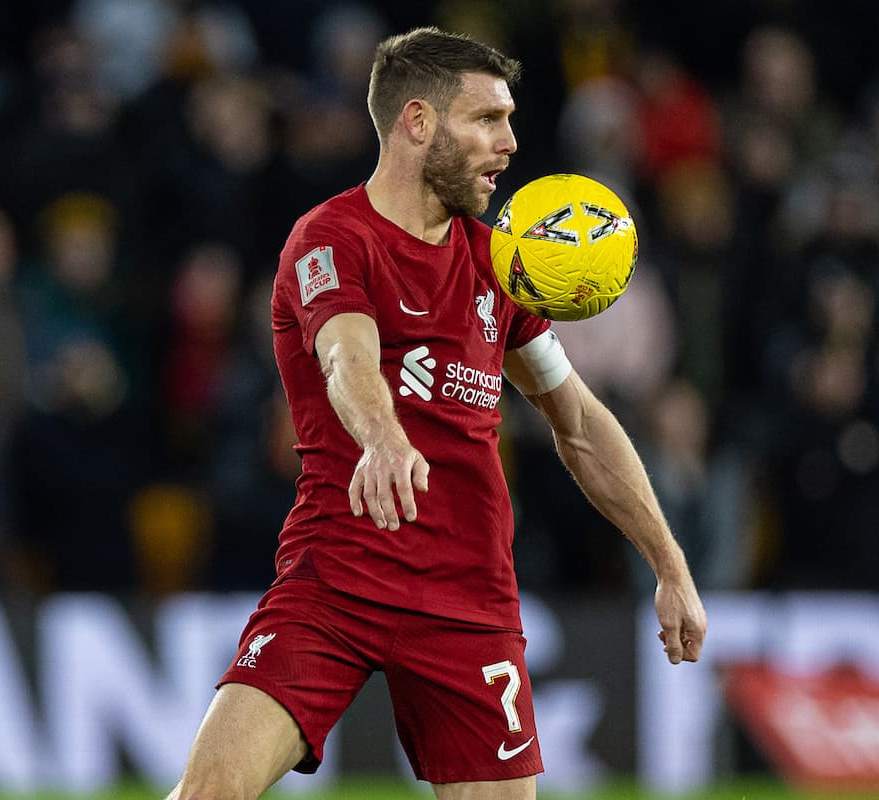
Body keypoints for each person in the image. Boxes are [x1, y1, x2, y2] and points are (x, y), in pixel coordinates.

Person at [167, 27, 706, 800]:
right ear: (417, 121)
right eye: (488, 120)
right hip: (337, 581)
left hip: (469, 602)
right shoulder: (332, 238)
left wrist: (669, 562)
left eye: (511, 120)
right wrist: (383, 437)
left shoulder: (498, 265)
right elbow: (345, 355)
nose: (510, 143)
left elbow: (579, 422)